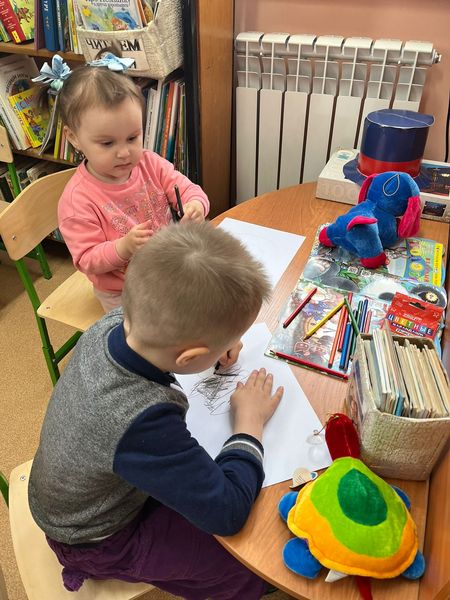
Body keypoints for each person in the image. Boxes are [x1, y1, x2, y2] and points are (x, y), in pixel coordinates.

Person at [28, 221, 284, 600]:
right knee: (249, 565)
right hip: (95, 537)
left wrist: (216, 341)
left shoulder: (114, 323)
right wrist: (249, 424)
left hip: (77, 492)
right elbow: (226, 512)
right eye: (227, 342)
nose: (233, 346)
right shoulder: (140, 420)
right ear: (190, 356)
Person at [54, 53, 209, 312]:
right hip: (123, 291)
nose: (125, 153)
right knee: (159, 330)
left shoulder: (149, 163)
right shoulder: (77, 201)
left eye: (132, 137)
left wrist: (196, 205)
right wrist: (123, 248)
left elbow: (188, 189)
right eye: (107, 143)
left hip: (166, 266)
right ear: (73, 138)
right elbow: (86, 259)